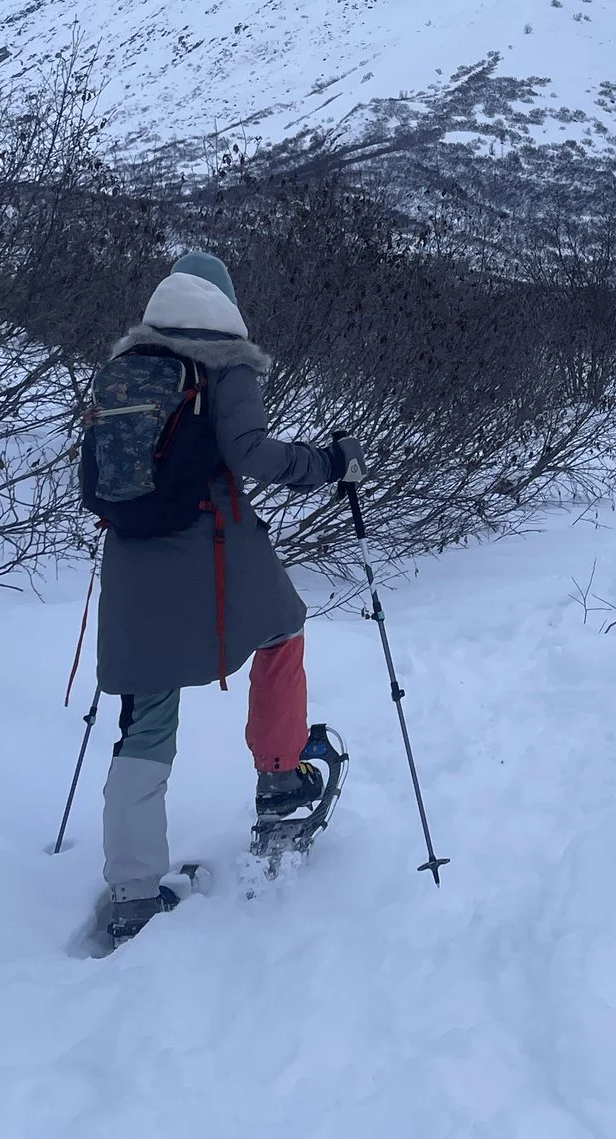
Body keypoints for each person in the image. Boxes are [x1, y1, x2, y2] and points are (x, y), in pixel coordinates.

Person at [86, 250, 362, 947]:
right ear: (225, 302)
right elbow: (249, 452)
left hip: (129, 560)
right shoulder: (225, 361)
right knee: (282, 630)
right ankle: (281, 784)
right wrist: (326, 464)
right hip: (211, 552)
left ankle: (133, 892)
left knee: (143, 722)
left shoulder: (124, 366)